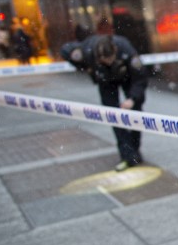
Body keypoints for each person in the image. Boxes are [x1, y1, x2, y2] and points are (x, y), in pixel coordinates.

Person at [61, 34, 148, 171]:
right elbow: (66, 50)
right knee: (113, 115)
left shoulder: (126, 50)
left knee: (135, 113)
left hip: (127, 77)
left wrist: (132, 98)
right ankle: (128, 154)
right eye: (104, 61)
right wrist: (81, 64)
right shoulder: (87, 50)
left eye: (110, 59)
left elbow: (140, 77)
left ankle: (134, 150)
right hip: (105, 80)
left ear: (115, 50)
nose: (108, 63)